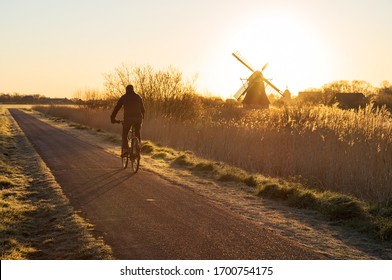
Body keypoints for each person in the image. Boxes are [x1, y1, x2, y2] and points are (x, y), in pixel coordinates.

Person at [111, 84, 145, 156]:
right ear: (133, 90)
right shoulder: (138, 97)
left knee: (125, 133)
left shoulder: (124, 97)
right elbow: (143, 109)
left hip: (128, 119)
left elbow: (116, 108)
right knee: (137, 132)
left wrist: (112, 118)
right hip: (138, 118)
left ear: (126, 90)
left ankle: (126, 149)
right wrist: (142, 118)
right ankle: (138, 147)